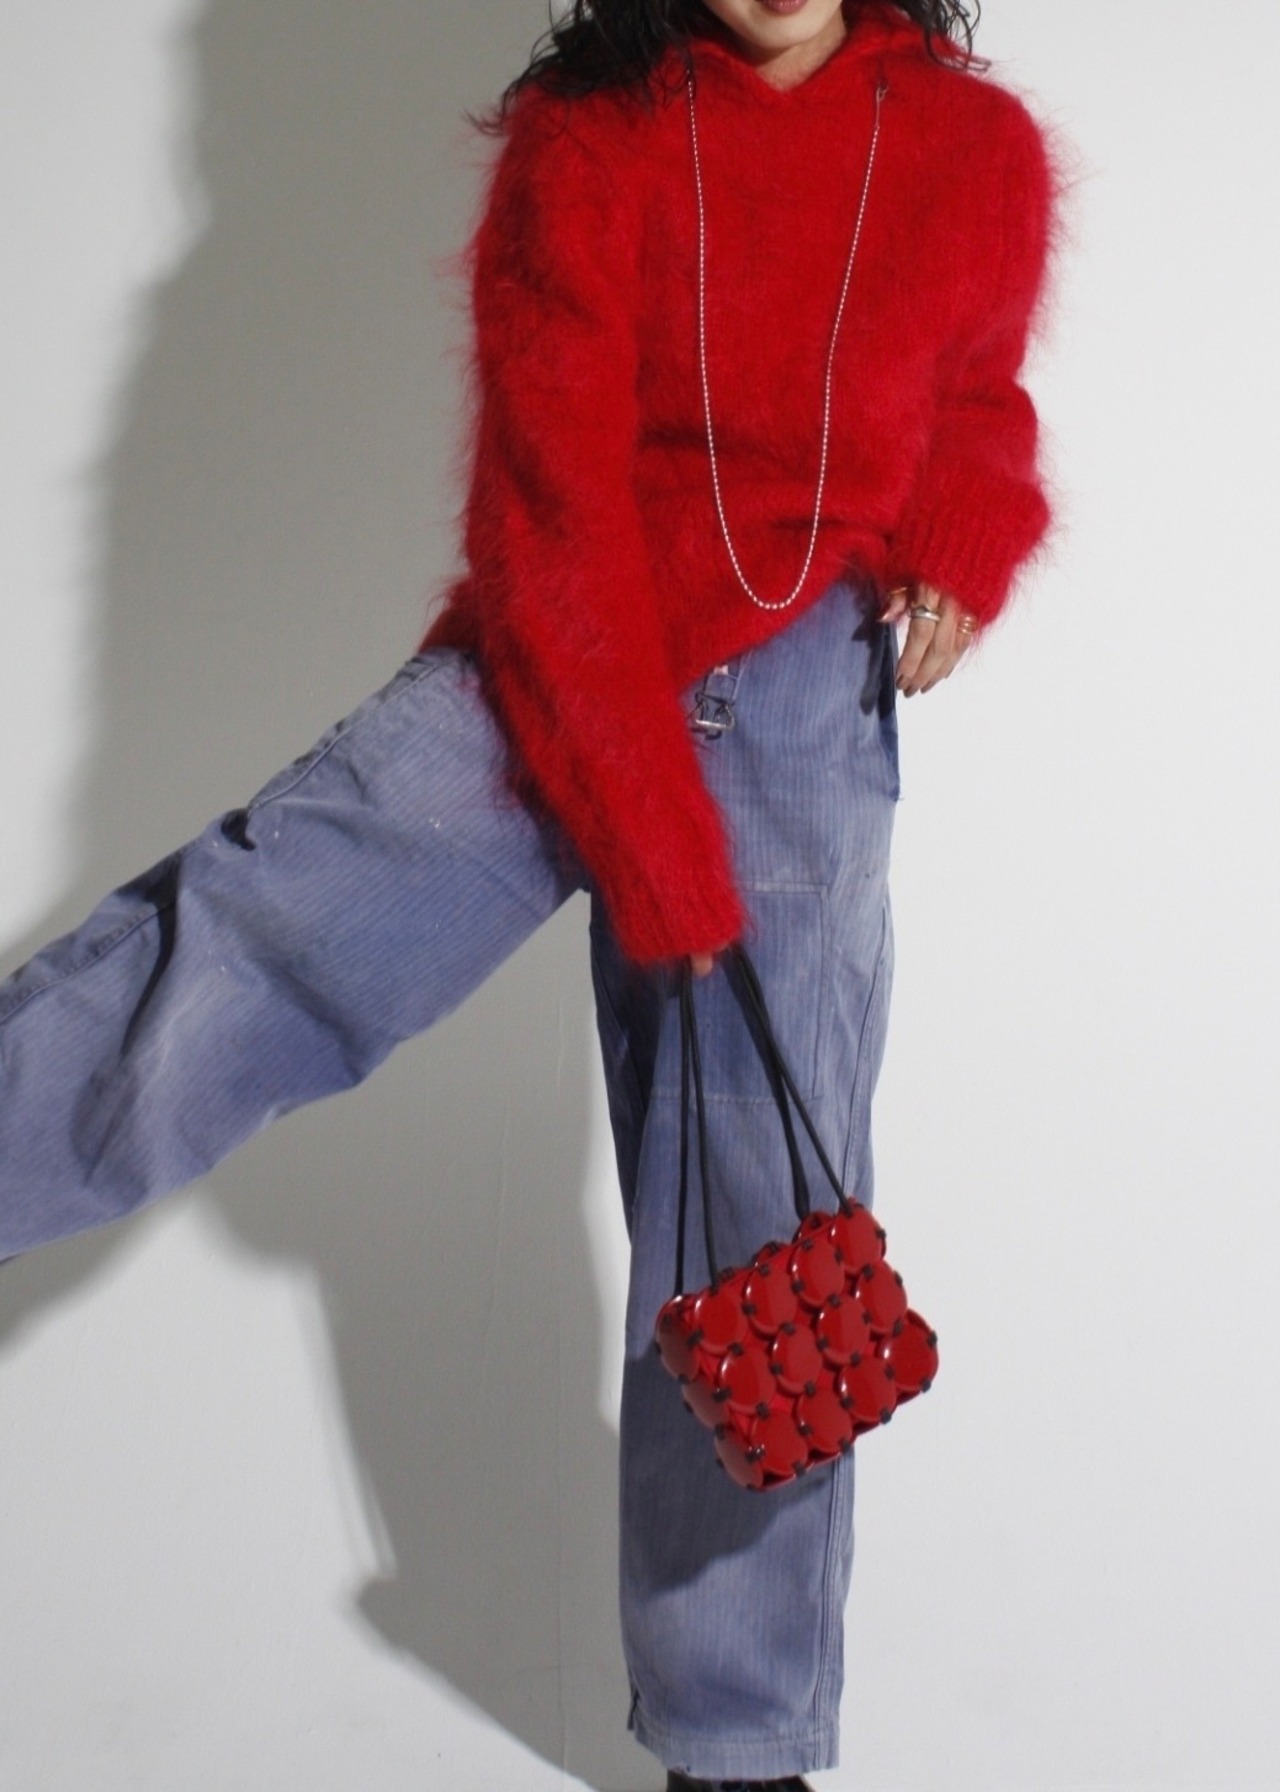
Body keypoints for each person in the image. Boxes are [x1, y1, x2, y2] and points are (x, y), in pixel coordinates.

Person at [0, 1, 1054, 1787]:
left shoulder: (973, 149)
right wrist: (651, 831)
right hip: (560, 669)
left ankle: (739, 1743)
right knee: (238, 957)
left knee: (766, 1238)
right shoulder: (593, 133)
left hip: (804, 709)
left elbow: (977, 396)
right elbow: (549, 509)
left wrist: (968, 522)